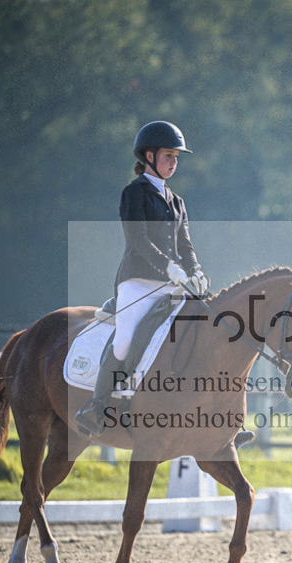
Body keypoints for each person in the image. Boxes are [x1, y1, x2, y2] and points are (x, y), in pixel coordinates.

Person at [75, 121, 209, 437]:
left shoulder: (177, 201)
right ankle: (97, 407)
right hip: (137, 282)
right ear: (149, 156)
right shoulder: (133, 193)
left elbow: (185, 244)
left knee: (201, 334)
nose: (173, 162)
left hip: (172, 285)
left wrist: (196, 270)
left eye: (176, 157)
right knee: (124, 341)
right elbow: (137, 238)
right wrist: (168, 266)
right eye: (168, 156)